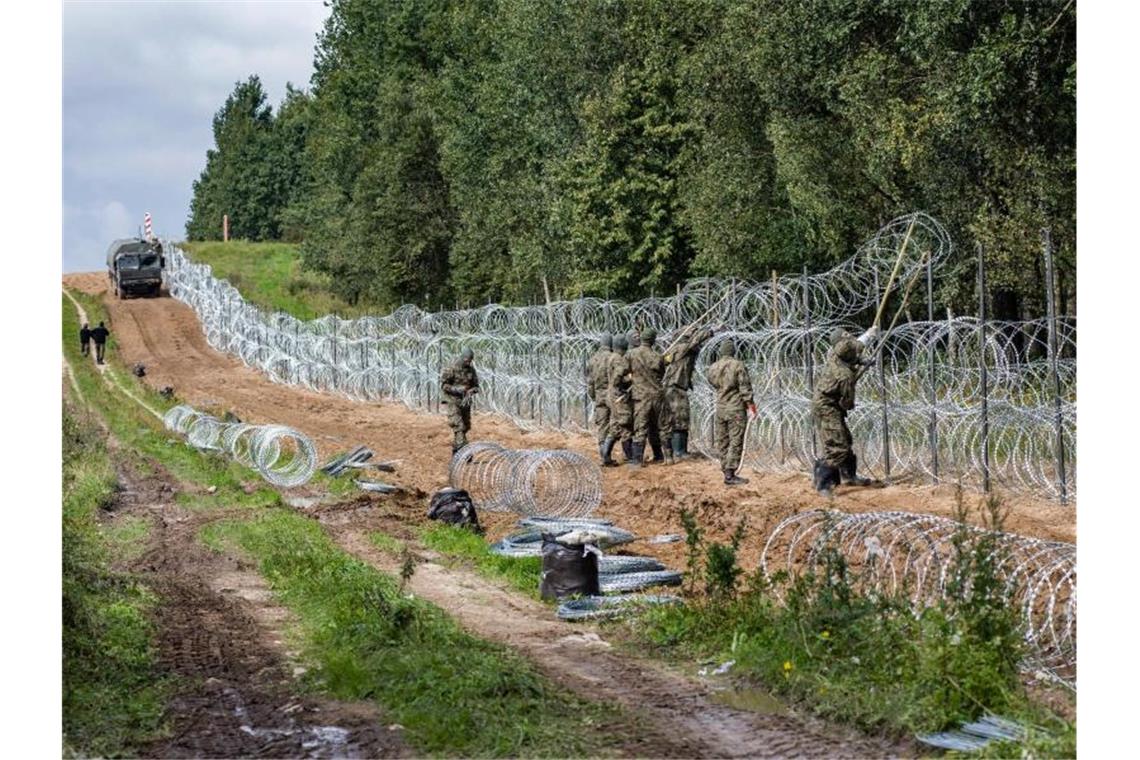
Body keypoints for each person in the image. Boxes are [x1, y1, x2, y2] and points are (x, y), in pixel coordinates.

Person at [811, 326, 880, 495]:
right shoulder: (845, 376)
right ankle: (823, 483)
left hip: (829, 403)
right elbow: (848, 402)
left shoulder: (834, 354)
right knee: (837, 445)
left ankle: (849, 475)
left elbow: (850, 351)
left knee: (845, 439)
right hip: (826, 406)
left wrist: (862, 358)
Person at [661, 324, 717, 461]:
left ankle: (678, 450)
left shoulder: (675, 350)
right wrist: (710, 331)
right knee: (680, 418)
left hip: (674, 387)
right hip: (675, 388)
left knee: (678, 418)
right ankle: (679, 451)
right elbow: (695, 340)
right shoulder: (681, 348)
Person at [707, 339, 755, 485]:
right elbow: (744, 388)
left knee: (722, 441)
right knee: (735, 440)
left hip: (720, 407)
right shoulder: (737, 365)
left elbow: (712, 382)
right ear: (733, 351)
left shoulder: (714, 367)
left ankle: (725, 469)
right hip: (735, 408)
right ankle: (730, 474)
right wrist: (751, 405)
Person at [627, 327, 667, 466]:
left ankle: (637, 459)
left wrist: (632, 379)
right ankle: (660, 456)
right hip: (657, 396)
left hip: (641, 397)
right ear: (653, 341)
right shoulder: (658, 356)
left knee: (641, 427)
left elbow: (624, 370)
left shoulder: (632, 354)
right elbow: (661, 374)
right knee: (658, 427)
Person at [440, 347, 480, 454]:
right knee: (458, 425)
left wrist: (471, 391)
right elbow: (444, 385)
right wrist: (456, 389)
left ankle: (456, 448)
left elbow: (476, 386)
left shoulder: (471, 370)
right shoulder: (451, 368)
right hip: (452, 400)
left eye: (470, 360)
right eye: (467, 359)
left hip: (465, 401)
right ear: (462, 357)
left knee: (466, 427)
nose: (468, 362)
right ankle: (465, 452)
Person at [605, 335, 634, 465]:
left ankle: (606, 456)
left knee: (615, 426)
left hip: (611, 395)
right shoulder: (618, 359)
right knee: (625, 424)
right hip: (618, 396)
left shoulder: (612, 356)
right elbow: (618, 375)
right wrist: (628, 381)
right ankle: (630, 457)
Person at [586, 333, 614, 465]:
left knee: (602, 425)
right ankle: (609, 453)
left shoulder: (593, 360)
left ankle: (604, 455)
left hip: (599, 395)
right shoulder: (613, 358)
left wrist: (594, 397)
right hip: (612, 395)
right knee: (616, 424)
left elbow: (590, 383)